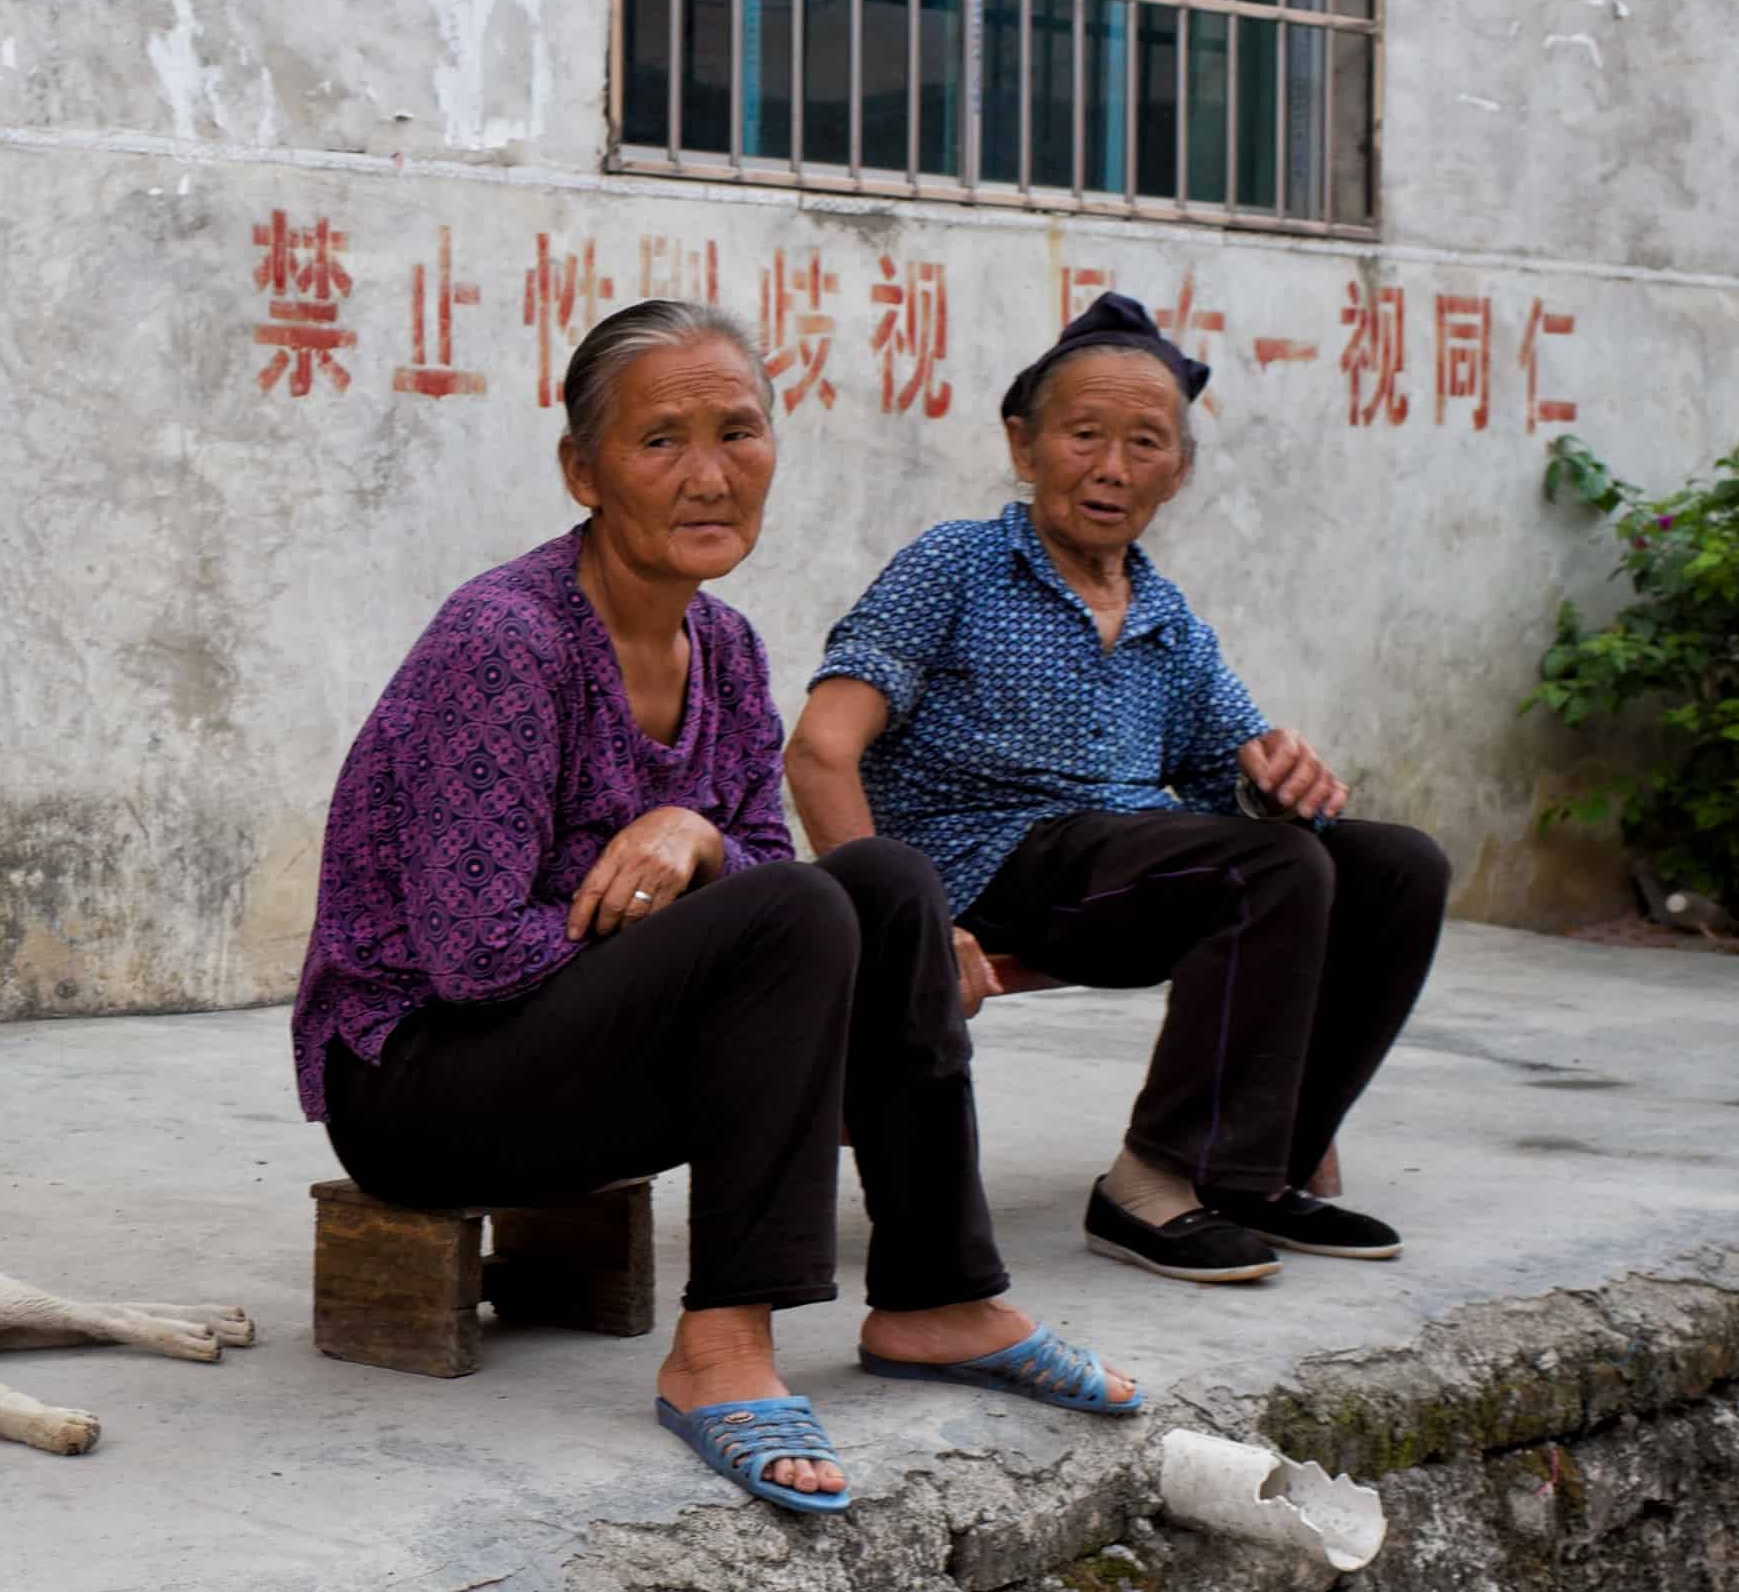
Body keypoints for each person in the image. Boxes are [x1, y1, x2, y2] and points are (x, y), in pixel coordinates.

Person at [294, 299, 1136, 1518]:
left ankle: (937, 1294)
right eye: (659, 441)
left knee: (885, 882)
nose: (708, 474)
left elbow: (756, 865)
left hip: (580, 1062)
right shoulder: (506, 640)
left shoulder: (725, 648)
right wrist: (690, 916)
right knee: (791, 909)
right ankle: (720, 1343)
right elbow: (471, 956)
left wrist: (690, 842)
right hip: (421, 1087)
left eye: (737, 432)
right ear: (582, 470)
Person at [785, 292, 1450, 1286]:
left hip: (1127, 877)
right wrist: (897, 914)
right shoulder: (954, 565)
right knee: (1265, 868)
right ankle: (1151, 1180)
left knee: (1393, 866)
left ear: (1177, 472)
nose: (1110, 467)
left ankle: (1257, 1170)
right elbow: (818, 750)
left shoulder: (1165, 616)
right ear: (1023, 444)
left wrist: (1279, 782)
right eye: (1083, 433)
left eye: (1144, 443)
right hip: (982, 865)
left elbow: (1235, 783)